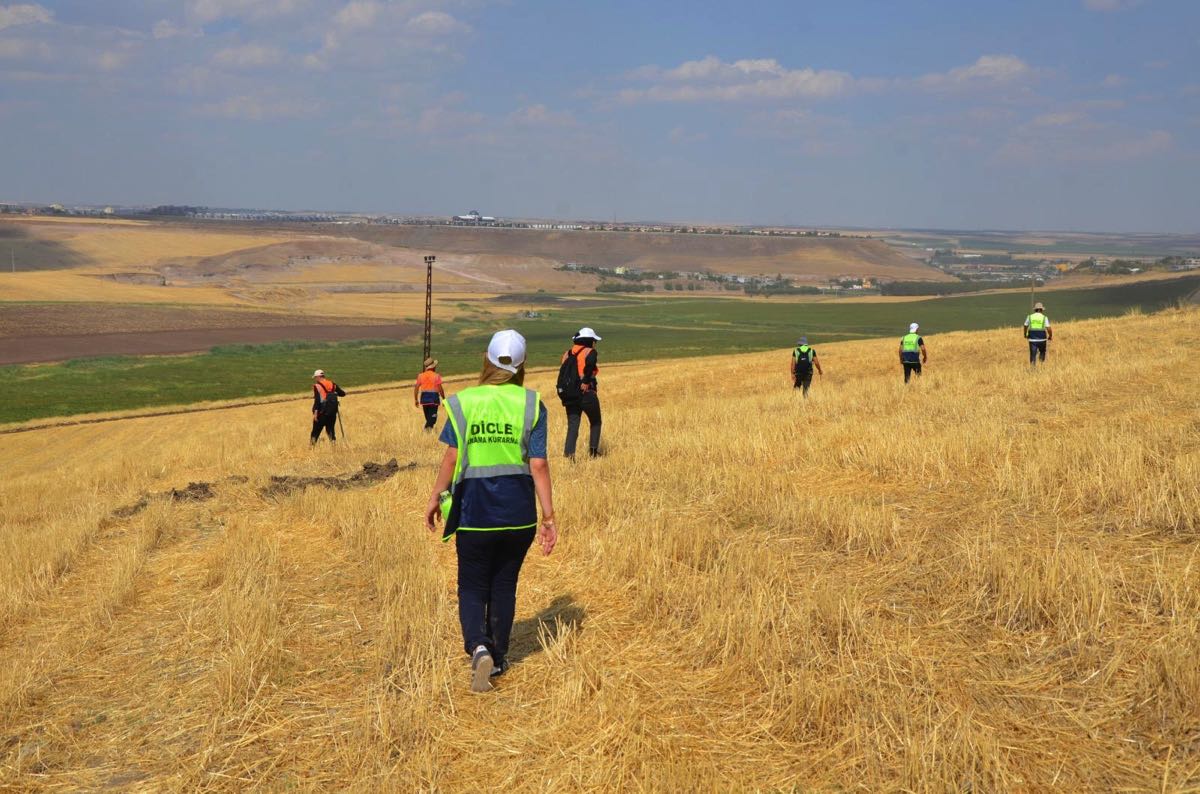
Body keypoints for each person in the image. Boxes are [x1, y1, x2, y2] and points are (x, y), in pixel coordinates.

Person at [424, 329, 557, 693]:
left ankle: (478, 647)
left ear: (486, 358)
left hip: (473, 513)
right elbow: (539, 465)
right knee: (504, 584)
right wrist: (548, 518)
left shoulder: (464, 402)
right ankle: (497, 659)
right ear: (521, 365)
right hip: (518, 516)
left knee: (471, 584)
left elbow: (451, 457)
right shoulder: (531, 404)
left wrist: (436, 497)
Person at [560, 327, 602, 459]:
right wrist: (585, 381)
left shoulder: (567, 353)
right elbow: (589, 365)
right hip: (586, 393)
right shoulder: (590, 352)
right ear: (589, 341)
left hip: (569, 394)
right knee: (596, 422)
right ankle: (593, 453)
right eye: (594, 340)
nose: (595, 343)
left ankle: (569, 455)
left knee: (573, 425)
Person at [310, 369, 346, 444]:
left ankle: (311, 450)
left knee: (315, 432)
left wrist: (315, 414)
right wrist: (333, 393)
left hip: (321, 413)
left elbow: (317, 401)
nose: (315, 379)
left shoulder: (317, 386)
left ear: (319, 377)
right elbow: (343, 394)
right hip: (332, 413)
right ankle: (334, 448)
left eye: (316, 377)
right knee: (330, 431)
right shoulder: (332, 384)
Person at [414, 357, 446, 431]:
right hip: (433, 399)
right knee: (432, 419)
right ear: (433, 367)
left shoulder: (420, 376)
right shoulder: (436, 376)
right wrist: (444, 399)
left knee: (429, 419)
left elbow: (416, 388)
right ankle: (425, 432)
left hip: (424, 399)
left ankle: (427, 434)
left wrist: (416, 399)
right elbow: (440, 389)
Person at [1024, 301, 1053, 366]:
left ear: (1035, 309)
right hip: (1042, 339)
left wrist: (1025, 334)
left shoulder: (1030, 317)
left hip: (1032, 339)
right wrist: (1050, 336)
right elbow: (1049, 328)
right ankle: (1041, 365)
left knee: (1033, 354)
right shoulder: (1044, 317)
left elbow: (1025, 326)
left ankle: (1032, 369)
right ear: (1041, 309)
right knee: (1042, 352)